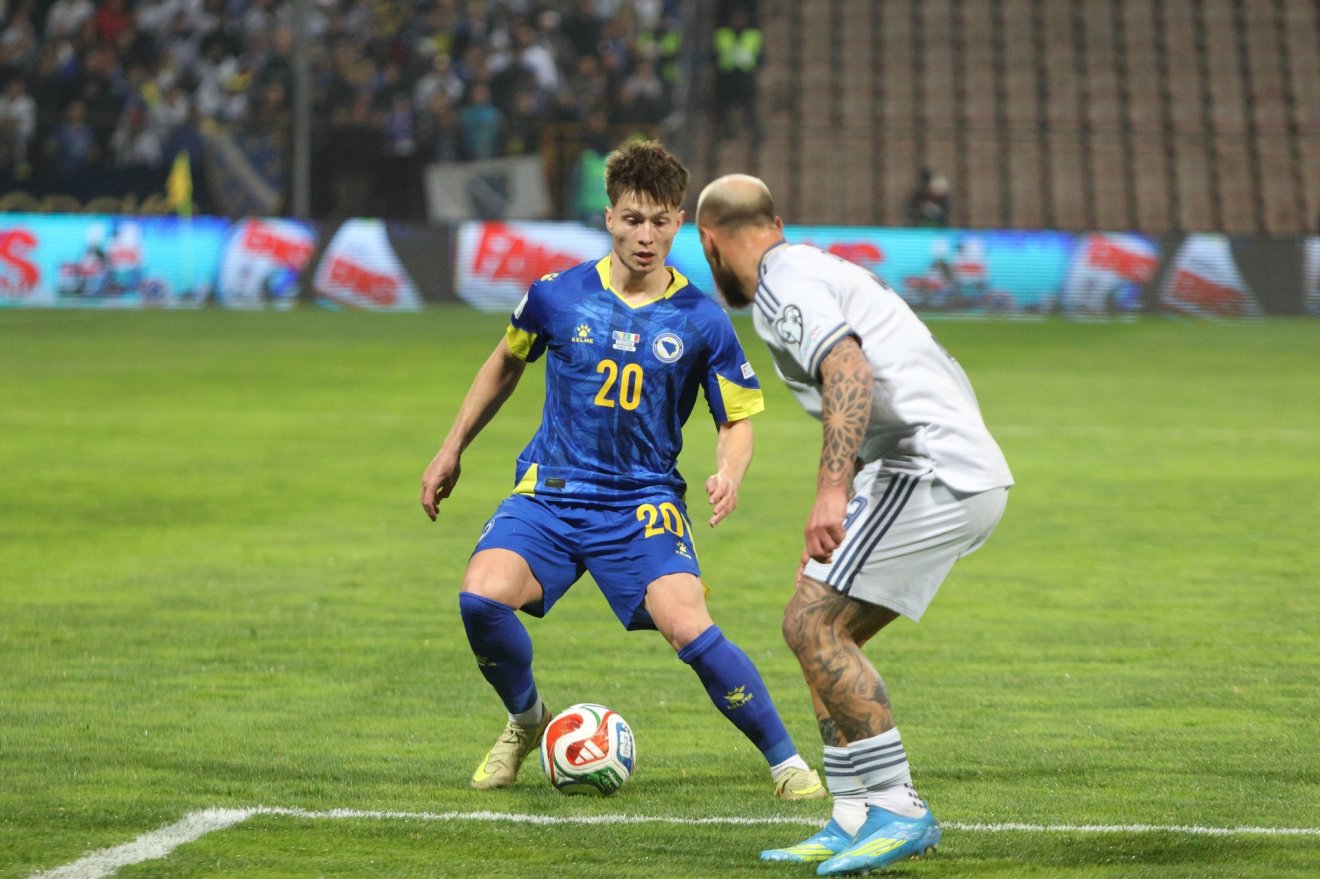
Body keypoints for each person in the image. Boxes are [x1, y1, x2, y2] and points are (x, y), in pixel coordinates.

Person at [420, 141, 825, 801]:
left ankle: (786, 763)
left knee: (687, 623)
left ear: (679, 223)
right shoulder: (557, 295)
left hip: (642, 503)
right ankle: (527, 719)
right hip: (551, 493)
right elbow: (506, 361)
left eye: (660, 221)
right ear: (609, 217)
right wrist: (452, 447)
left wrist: (730, 472)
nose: (645, 236)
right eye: (633, 219)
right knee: (480, 597)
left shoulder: (701, 320)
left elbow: (736, 419)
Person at [695, 174, 1012, 874]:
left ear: (708, 242)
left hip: (928, 465)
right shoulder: (810, 268)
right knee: (814, 625)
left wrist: (833, 491)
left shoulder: (783, 284)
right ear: (776, 222)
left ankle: (899, 808)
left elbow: (850, 369)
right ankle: (852, 814)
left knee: (813, 625)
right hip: (928, 463)